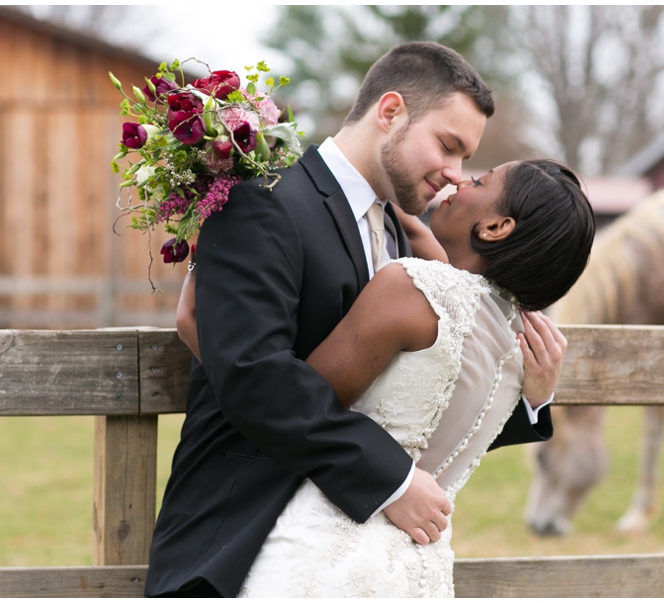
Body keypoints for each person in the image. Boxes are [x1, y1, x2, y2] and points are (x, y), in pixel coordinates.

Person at [145, 42, 564, 598]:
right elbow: (253, 373)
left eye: (467, 159)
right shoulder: (265, 202)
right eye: (447, 145)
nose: (455, 176)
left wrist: (532, 398)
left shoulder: (400, 231)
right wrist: (390, 480)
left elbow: (416, 397)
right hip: (238, 538)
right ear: (390, 111)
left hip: (349, 554)